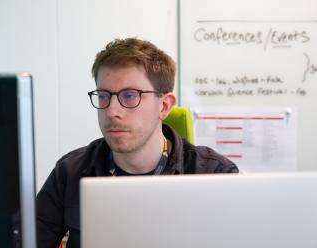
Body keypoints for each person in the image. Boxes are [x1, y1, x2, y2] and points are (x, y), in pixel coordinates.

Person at [36, 37, 239, 248]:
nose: (112, 111)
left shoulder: (215, 174)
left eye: (130, 96)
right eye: (104, 96)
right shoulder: (70, 171)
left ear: (164, 106)